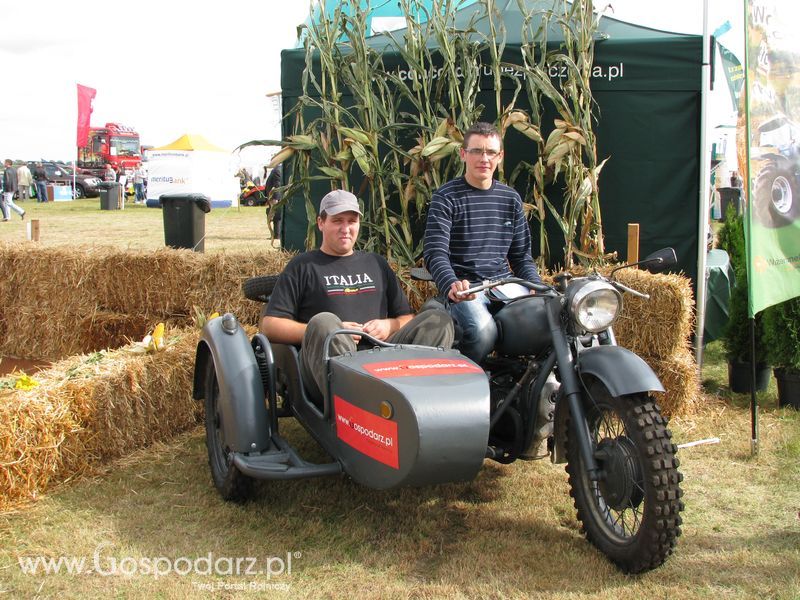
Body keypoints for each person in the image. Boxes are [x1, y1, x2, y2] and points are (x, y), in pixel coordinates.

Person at [260, 189, 454, 399]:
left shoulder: (376, 263)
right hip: (326, 369)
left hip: (385, 358)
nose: (346, 229)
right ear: (320, 223)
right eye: (337, 221)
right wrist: (334, 330)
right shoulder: (303, 266)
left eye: (352, 221)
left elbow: (406, 317)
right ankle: (356, 405)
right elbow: (270, 325)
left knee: (439, 320)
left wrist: (389, 325)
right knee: (325, 322)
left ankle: (418, 399)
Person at [423, 122, 540, 363]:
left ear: (500, 156)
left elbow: (520, 256)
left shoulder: (510, 199)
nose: (483, 158)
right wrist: (452, 285)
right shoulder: (446, 197)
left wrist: (536, 286)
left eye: (490, 152)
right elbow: (435, 253)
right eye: (476, 151)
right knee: (482, 331)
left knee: (545, 318)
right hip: (468, 289)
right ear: (463, 154)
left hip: (504, 286)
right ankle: (470, 384)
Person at [264, 164, 283, 242]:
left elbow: (277, 186)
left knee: (276, 216)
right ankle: (275, 235)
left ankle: (277, 234)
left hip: (274, 197)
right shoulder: (276, 169)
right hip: (272, 197)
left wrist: (275, 198)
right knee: (275, 216)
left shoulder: (277, 170)